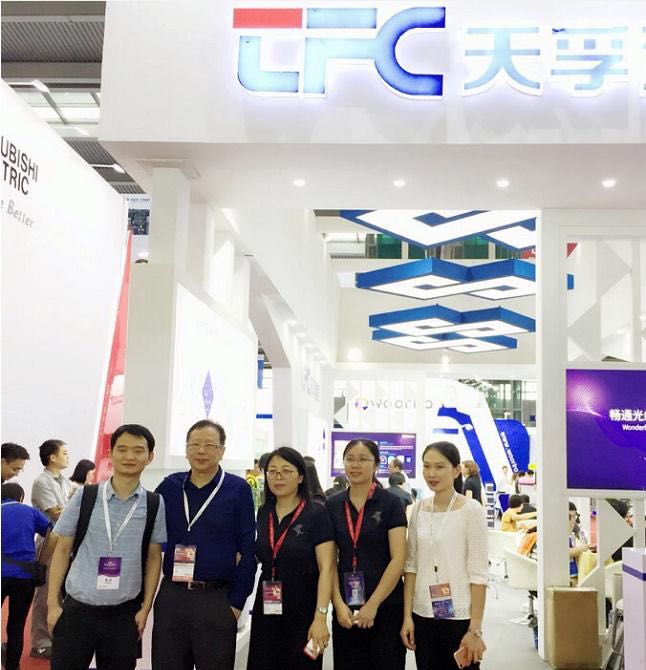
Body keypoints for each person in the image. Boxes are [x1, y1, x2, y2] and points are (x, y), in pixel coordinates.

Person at [47, 424, 166, 670]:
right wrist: (52, 605)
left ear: (150, 457)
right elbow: (62, 550)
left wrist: (145, 608)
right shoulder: (85, 496)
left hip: (123, 615)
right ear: (111, 454)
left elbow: (154, 557)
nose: (129, 456)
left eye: (138, 450)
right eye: (122, 449)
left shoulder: (155, 503)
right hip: (77, 610)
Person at [152, 419, 256, 670]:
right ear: (186, 449)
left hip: (216, 599)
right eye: (195, 444)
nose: (201, 451)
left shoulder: (238, 489)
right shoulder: (170, 487)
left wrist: (235, 604)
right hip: (172, 597)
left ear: (222, 451)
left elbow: (248, 548)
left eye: (210, 445)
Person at [401, 441, 488, 670]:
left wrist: (475, 629)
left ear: (456, 470)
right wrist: (407, 616)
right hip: (422, 613)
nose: (432, 473)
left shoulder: (471, 510)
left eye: (439, 467)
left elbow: (479, 574)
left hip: (459, 615)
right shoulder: (419, 509)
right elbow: (411, 566)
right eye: (426, 466)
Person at [247, 447, 335, 669]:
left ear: (301, 476)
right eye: (272, 471)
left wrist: (321, 616)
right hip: (267, 606)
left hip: (304, 608)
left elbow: (327, 568)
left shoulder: (316, 512)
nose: (278, 477)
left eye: (286, 471)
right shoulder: (264, 511)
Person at [326, 438, 407, 670]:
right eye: (350, 459)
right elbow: (329, 561)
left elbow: (398, 558)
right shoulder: (333, 504)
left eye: (363, 459)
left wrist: (372, 605)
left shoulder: (391, 503)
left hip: (386, 605)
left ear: (377, 465)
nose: (355, 464)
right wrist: (337, 603)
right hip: (346, 609)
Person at [1, 483, 53, 670]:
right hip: (25, 575)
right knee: (17, 624)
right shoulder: (30, 512)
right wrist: (42, 561)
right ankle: (13, 665)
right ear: (21, 497)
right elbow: (52, 532)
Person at [30, 438, 72, 659]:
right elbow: (56, 513)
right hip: (49, 541)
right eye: (64, 453)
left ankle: (56, 637)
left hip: (65, 541)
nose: (67, 456)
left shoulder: (64, 481)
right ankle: (40, 642)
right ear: (52, 457)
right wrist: (75, 509)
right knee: (45, 592)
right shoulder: (42, 482)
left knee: (61, 592)